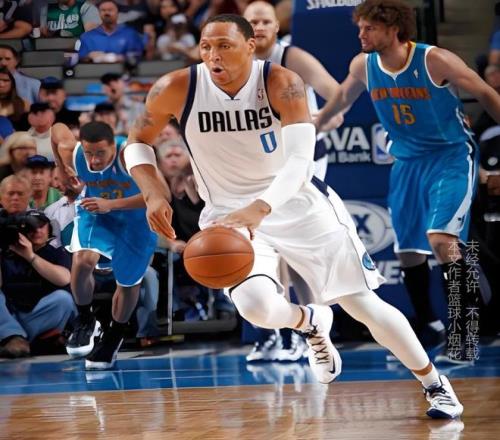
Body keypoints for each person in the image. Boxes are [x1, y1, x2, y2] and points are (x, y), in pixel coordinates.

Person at [124, 14, 463, 419]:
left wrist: (261, 206)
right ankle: (310, 321)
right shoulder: (176, 87)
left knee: (362, 304)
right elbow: (137, 142)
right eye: (206, 46)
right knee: (256, 308)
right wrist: (152, 191)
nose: (213, 55)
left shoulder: (281, 82)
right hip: (229, 217)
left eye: (225, 46)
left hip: (299, 206)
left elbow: (301, 161)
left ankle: (434, 384)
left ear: (250, 46)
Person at [316, 0, 500, 364]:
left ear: (393, 29)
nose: (361, 34)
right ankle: (429, 325)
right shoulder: (363, 65)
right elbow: (341, 100)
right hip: (406, 162)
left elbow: (484, 92)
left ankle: (463, 335)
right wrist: (315, 125)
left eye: (369, 28)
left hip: (450, 157)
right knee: (408, 252)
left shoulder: (434, 60)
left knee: (442, 241)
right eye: (360, 27)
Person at [243, 0, 344, 362]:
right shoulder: (235, 64)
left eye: (265, 21)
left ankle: (306, 332)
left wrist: (318, 121)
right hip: (261, 165)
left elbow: (337, 94)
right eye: (252, 22)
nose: (258, 27)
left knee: (292, 249)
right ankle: (278, 332)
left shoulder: (291, 57)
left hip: (303, 163)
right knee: (267, 249)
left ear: (277, 26)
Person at [51, 121, 157, 370]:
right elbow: (57, 130)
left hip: (135, 222)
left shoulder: (130, 156)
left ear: (113, 146)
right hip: (97, 212)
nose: (94, 160)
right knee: (83, 259)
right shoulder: (74, 152)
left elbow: (158, 195)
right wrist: (61, 170)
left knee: (128, 284)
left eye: (101, 153)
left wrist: (111, 205)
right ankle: (86, 318)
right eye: (89, 153)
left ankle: (114, 336)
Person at [0, 203, 76, 359]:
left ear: (49, 229)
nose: (38, 231)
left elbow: (64, 279)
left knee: (64, 299)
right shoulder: (7, 252)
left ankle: (16, 339)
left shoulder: (56, 253)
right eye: (32, 227)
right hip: (9, 314)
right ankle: (14, 336)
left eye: (42, 226)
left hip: (37, 315)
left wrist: (30, 256)